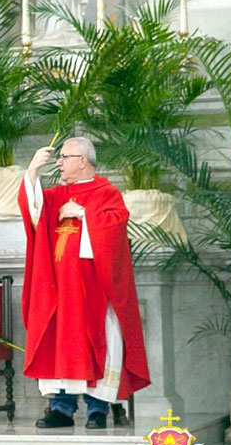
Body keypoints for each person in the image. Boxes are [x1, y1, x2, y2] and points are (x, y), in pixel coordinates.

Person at [19, 137, 150, 429]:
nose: (59, 162)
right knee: (60, 344)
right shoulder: (55, 195)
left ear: (82, 160)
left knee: (97, 342)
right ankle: (61, 409)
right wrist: (32, 171)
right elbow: (33, 212)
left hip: (94, 288)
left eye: (64, 157)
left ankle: (97, 409)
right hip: (60, 289)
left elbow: (116, 228)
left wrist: (82, 214)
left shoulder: (106, 193)